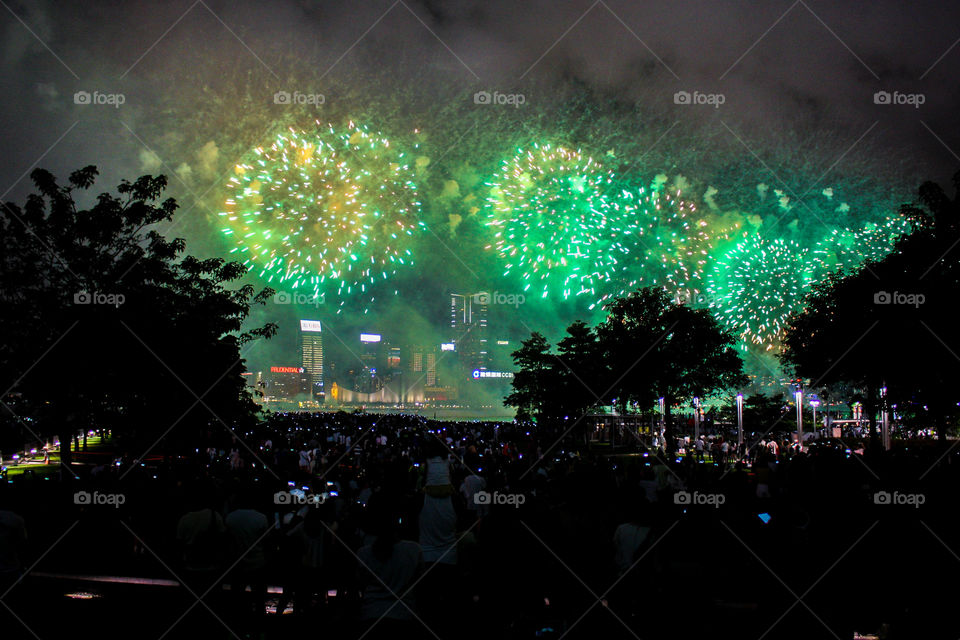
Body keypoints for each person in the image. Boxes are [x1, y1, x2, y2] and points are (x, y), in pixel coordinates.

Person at [357, 498, 423, 639]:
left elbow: (360, 585)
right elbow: (420, 585)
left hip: (371, 614)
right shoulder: (414, 550)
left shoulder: (363, 553)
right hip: (404, 615)